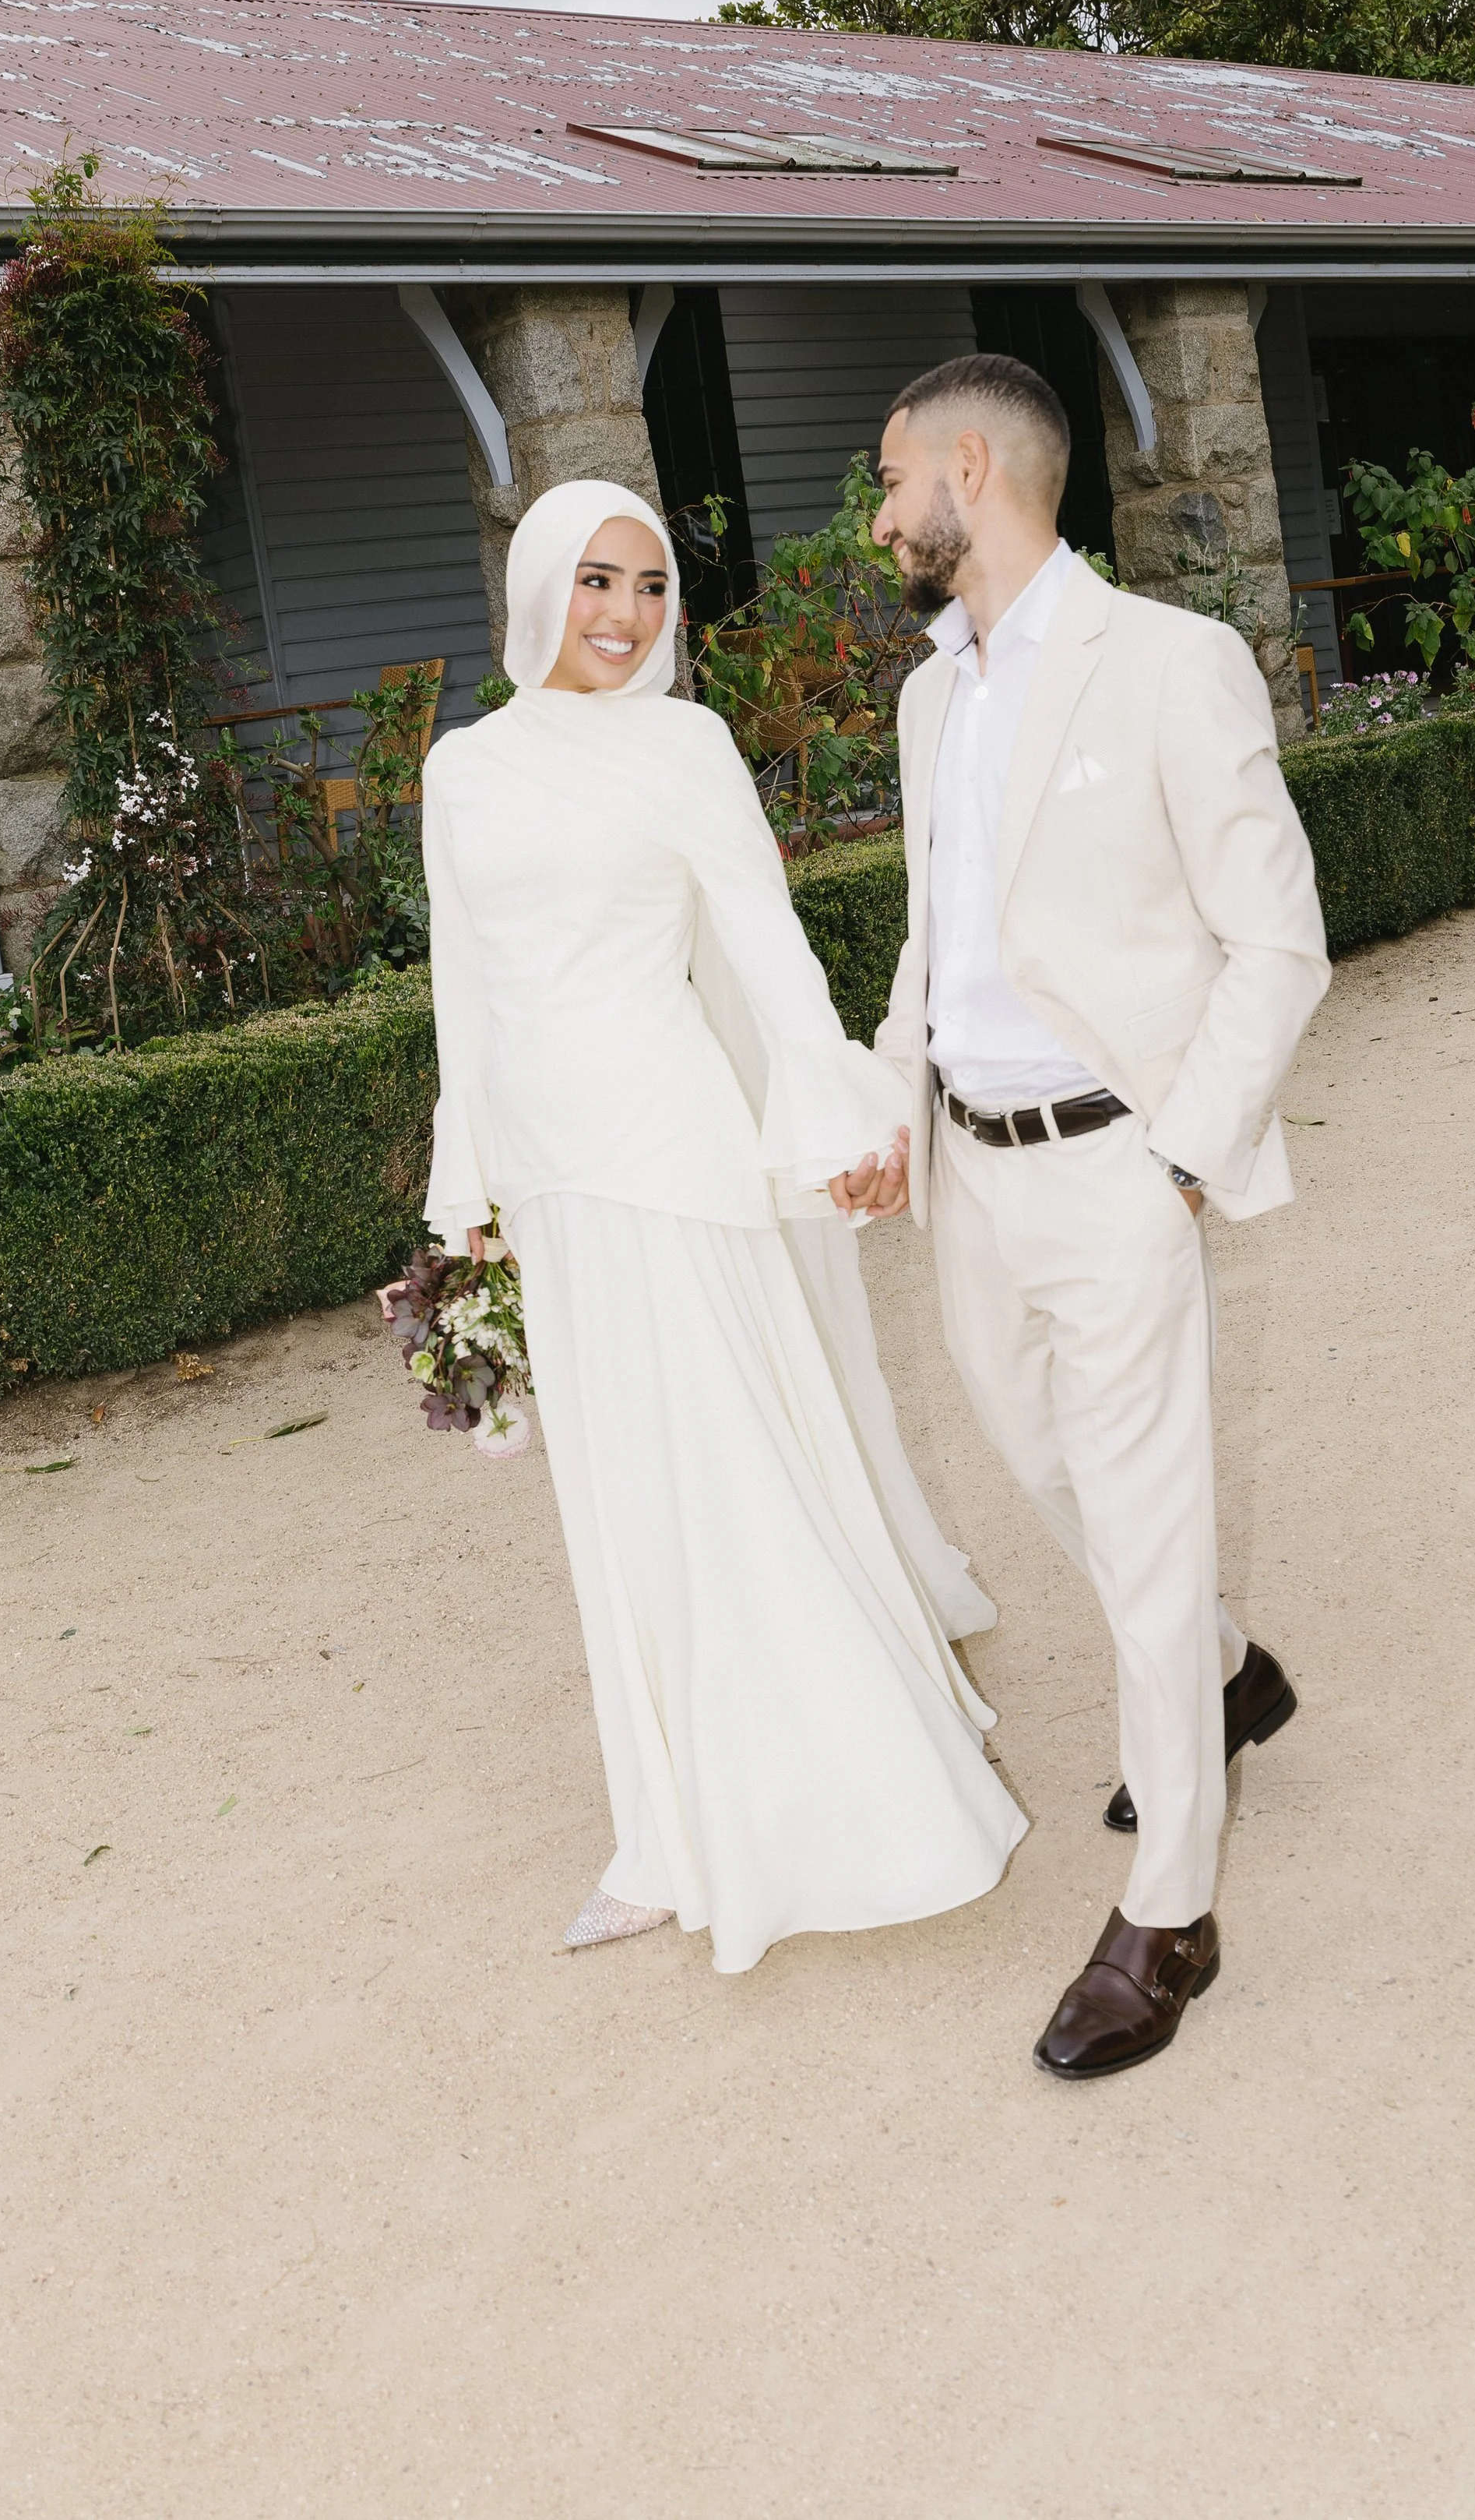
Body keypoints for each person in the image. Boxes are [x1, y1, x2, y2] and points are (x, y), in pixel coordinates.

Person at [408, 478, 1026, 1976]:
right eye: (597, 583)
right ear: (541, 588)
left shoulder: (686, 747)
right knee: (617, 1507)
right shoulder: (466, 771)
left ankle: (840, 1795)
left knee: (730, 1466)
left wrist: (844, 1120)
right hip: (550, 1182)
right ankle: (665, 1829)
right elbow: (464, 989)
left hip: (673, 1148)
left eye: (650, 586)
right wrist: (462, 1186)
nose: (625, 616)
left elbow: (769, 945)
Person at [848, 354, 1329, 2077]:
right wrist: (893, 1102)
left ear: (970, 470)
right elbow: (932, 933)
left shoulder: (1170, 668)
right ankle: (1220, 1671)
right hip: (970, 1172)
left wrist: (1177, 1158)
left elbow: (1279, 943)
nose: (879, 513)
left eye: (892, 478)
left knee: (1133, 1513)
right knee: (1042, 1471)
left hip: (1119, 1164)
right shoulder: (927, 700)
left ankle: (1168, 1914)